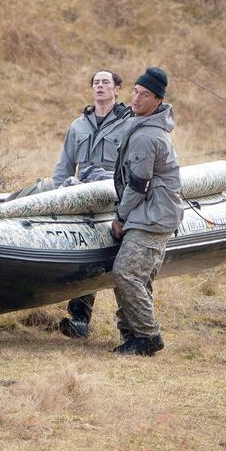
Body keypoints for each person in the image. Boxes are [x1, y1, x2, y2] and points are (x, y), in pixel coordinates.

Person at [110, 67, 184, 356]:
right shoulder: (144, 125)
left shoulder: (147, 135)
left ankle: (147, 337)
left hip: (152, 217)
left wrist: (120, 218)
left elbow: (138, 185)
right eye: (136, 92)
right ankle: (132, 334)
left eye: (145, 95)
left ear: (158, 100)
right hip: (155, 213)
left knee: (126, 273)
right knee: (137, 277)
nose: (137, 98)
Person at [54, 70, 132, 339]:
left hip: (116, 196)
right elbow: (64, 166)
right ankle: (79, 319)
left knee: (125, 263)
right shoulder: (78, 125)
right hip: (83, 198)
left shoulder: (128, 123)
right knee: (83, 256)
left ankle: (132, 326)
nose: (100, 86)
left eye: (105, 83)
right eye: (96, 83)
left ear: (117, 89)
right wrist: (55, 198)